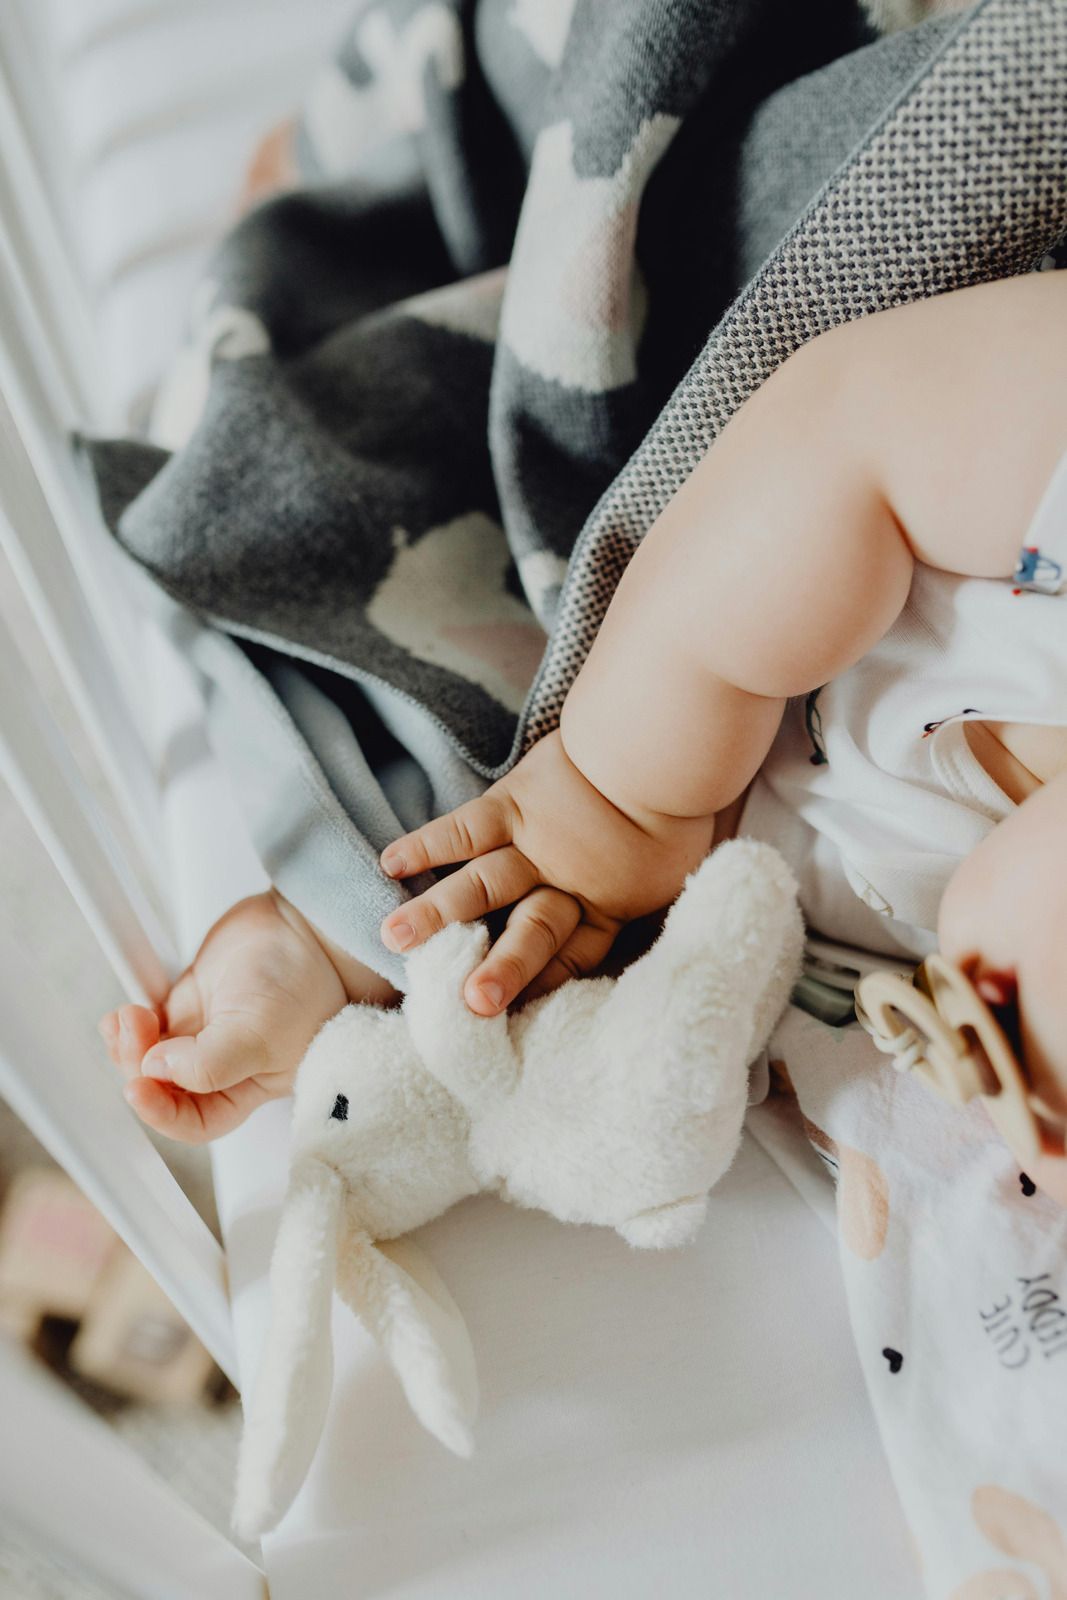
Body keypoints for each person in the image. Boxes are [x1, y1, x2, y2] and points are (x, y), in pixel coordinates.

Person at [99, 270, 1067, 1196]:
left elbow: (622, 910)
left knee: (504, 890)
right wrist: (620, 785)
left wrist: (355, 960)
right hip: (674, 500)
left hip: (674, 806)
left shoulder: (947, 926)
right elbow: (850, 421)